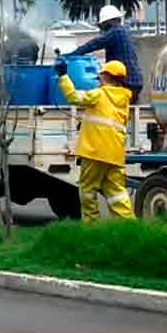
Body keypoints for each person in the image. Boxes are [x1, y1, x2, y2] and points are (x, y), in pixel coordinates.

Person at [55, 58, 136, 222]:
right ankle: (129, 226)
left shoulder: (99, 94)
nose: (98, 79)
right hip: (115, 154)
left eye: (100, 76)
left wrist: (63, 75)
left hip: (95, 152)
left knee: (87, 190)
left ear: (106, 76)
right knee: (117, 193)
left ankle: (91, 226)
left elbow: (73, 97)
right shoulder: (124, 99)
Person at [67, 5, 143, 103]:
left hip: (125, 81)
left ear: (108, 21)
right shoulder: (124, 32)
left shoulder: (116, 32)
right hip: (134, 81)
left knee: (110, 107)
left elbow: (94, 44)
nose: (102, 27)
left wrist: (71, 54)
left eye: (102, 24)